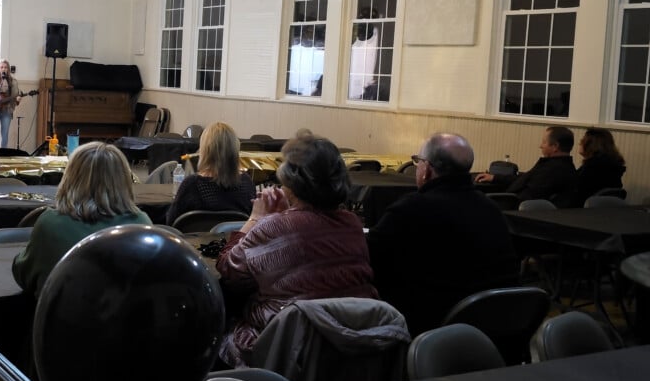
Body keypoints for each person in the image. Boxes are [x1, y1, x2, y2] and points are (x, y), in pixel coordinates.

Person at [215, 133, 377, 367]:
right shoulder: (352, 223)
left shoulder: (274, 227)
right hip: (347, 344)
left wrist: (256, 218)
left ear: (292, 184)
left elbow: (229, 270)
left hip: (288, 347)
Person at [368, 133, 519, 335]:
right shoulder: (491, 208)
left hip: (432, 328)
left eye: (418, 161)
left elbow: (369, 259)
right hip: (497, 325)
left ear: (427, 170)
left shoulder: (410, 210)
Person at [12, 142, 152, 296]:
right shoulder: (142, 225)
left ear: (70, 178)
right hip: (124, 319)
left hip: (62, 318)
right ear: (124, 180)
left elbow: (24, 275)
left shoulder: (50, 224)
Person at [164, 121, 255, 225]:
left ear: (204, 150)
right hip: (236, 240)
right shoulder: (246, 183)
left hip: (195, 240)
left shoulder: (191, 185)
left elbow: (171, 222)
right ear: (235, 149)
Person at [475, 125, 576, 205]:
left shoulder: (553, 171)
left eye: (544, 142)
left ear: (555, 146)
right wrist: (494, 178)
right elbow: (525, 179)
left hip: (512, 208)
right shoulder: (559, 166)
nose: (540, 146)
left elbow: (527, 196)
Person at [570, 127, 626, 207]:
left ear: (590, 145)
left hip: (580, 212)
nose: (580, 143)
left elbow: (577, 192)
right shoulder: (613, 167)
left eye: (582, 141)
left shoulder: (592, 169)